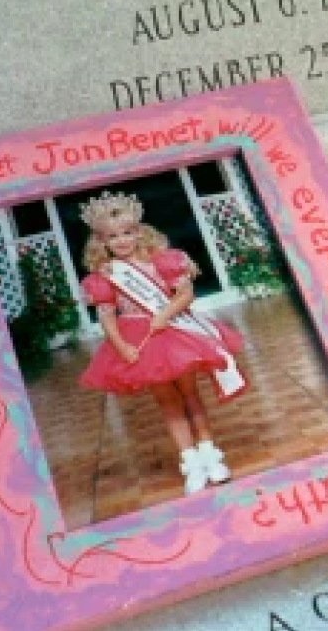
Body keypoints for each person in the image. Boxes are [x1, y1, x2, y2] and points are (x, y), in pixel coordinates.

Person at [76, 191, 247, 494]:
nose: (122, 240)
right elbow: (107, 318)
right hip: (137, 339)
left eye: (127, 232)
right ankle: (190, 463)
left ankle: (210, 457)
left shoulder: (162, 261)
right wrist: (121, 347)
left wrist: (164, 315)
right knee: (168, 403)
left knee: (190, 395)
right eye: (113, 236)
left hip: (173, 333)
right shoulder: (105, 276)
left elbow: (186, 295)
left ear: (139, 232)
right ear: (101, 241)